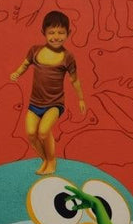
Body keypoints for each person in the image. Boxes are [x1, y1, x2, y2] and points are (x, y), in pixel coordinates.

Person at [10, 10, 86, 175]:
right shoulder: (35, 51)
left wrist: (81, 99)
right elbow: (25, 64)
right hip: (35, 103)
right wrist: (17, 72)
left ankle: (51, 161)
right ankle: (45, 159)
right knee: (31, 134)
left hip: (54, 103)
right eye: (51, 32)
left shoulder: (67, 57)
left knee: (43, 132)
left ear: (68, 33)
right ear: (43, 32)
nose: (56, 37)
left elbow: (74, 80)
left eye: (61, 33)